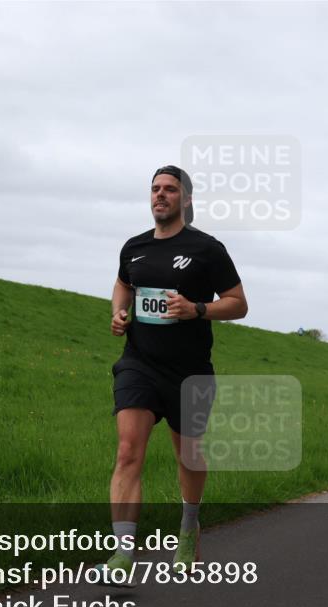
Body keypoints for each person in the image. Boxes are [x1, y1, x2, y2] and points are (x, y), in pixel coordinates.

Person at [97, 165, 248, 584]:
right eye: (155, 189)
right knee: (128, 451)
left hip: (190, 372)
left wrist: (197, 309)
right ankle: (123, 555)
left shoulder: (207, 249)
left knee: (189, 454)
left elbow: (238, 303)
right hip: (139, 364)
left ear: (186, 199)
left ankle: (187, 528)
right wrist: (118, 313)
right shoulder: (134, 247)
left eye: (170, 189)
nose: (160, 195)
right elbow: (122, 285)